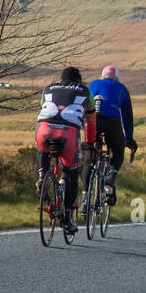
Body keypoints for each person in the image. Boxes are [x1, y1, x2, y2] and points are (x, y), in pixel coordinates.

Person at [35, 66, 97, 234]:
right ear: (79, 80)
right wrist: (90, 142)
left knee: (43, 148)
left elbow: (44, 108)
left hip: (44, 130)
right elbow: (91, 120)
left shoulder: (48, 88)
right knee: (71, 175)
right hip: (68, 133)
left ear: (61, 79)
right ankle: (68, 217)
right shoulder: (85, 91)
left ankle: (41, 176)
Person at [88, 64, 137, 206]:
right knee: (118, 150)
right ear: (117, 78)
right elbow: (127, 117)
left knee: (89, 154)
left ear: (102, 76)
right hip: (112, 124)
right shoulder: (121, 88)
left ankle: (86, 193)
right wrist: (129, 138)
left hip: (92, 122)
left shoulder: (93, 84)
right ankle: (111, 176)